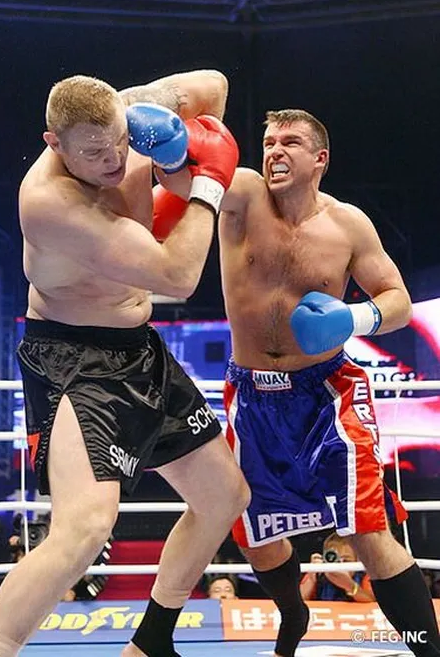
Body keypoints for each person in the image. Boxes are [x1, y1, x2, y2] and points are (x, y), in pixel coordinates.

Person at [0, 69, 250, 657]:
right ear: (54, 144)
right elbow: (178, 275)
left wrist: (172, 141)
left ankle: (150, 643)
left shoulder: (129, 119)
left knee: (224, 497)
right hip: (74, 360)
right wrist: (204, 185)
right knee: (85, 527)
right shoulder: (50, 203)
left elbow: (215, 84)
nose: (114, 160)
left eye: (121, 143)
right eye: (95, 153)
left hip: (138, 347)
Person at [153, 108, 440, 657]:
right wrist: (168, 147)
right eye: (269, 143)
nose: (275, 152)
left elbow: (398, 300)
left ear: (320, 159)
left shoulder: (348, 225)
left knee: (368, 531)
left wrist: (353, 318)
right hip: (252, 395)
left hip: (329, 394)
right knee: (257, 538)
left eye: (289, 143)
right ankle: (293, 613)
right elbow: (180, 180)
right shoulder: (241, 194)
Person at [300, 532, 374, 602]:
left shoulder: (365, 577)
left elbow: (373, 602)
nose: (340, 565)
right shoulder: (317, 575)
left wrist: (349, 585)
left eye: (346, 561)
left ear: (356, 560)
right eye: (335, 560)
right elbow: (299, 601)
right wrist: (311, 578)